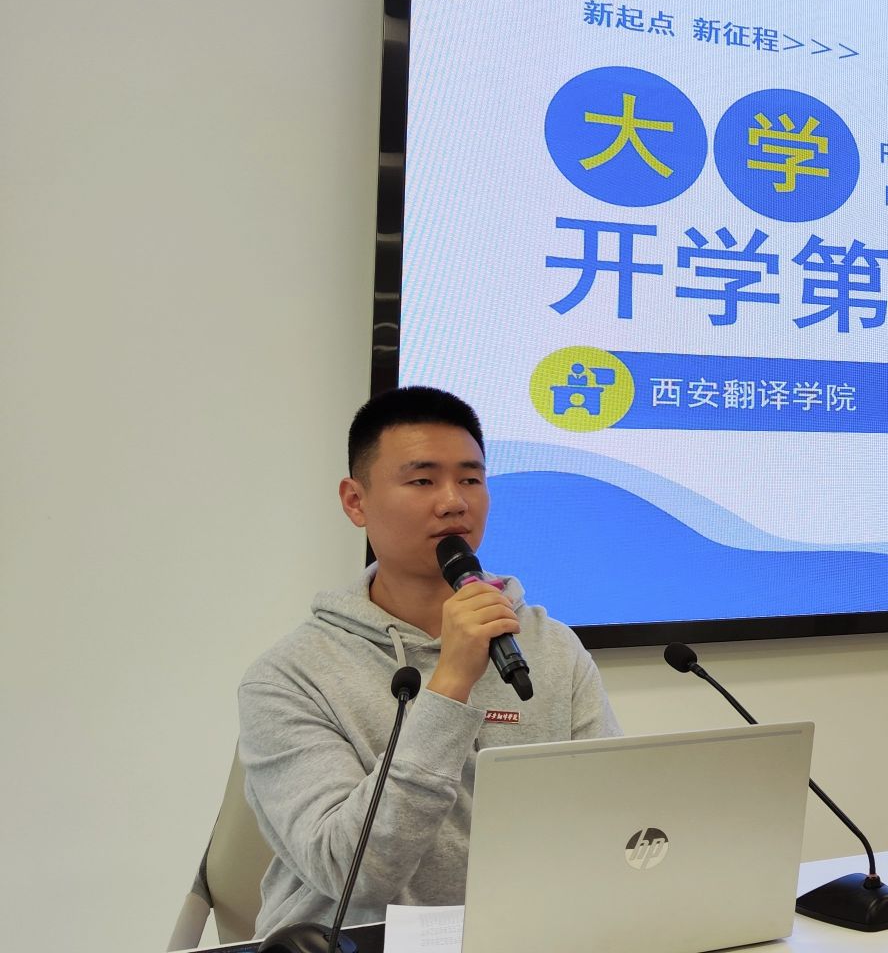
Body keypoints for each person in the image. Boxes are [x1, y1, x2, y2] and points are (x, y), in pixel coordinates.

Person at [238, 387, 620, 939]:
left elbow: (609, 817)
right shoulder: (289, 677)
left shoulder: (550, 645)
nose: (453, 502)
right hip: (358, 939)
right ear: (355, 501)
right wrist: (449, 684)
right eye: (422, 481)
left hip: (523, 934)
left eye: (471, 479)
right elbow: (353, 873)